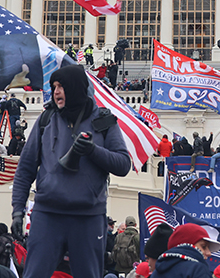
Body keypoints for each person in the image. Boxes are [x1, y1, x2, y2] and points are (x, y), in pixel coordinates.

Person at [11, 64, 131, 278]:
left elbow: (123, 164)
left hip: (88, 217)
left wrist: (93, 151)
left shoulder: (103, 121)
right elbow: (25, 169)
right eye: (54, 86)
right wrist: (17, 211)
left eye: (61, 86)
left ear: (75, 87)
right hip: (47, 214)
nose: (56, 91)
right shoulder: (45, 120)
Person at [150, 224, 220, 278]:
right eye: (203, 247)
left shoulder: (156, 273)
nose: (209, 253)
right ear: (187, 245)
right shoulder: (197, 269)